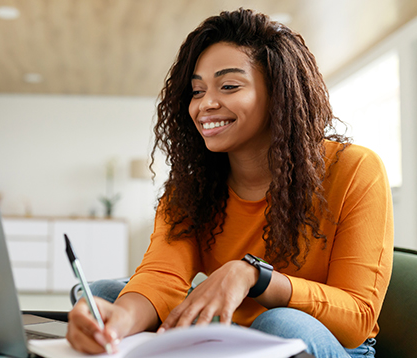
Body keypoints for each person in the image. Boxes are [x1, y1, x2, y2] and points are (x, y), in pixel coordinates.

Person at [66, 8, 393, 358]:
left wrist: (256, 278)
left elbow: (357, 317)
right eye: (196, 91)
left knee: (281, 324)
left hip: (327, 341)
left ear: (278, 94)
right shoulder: (191, 189)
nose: (206, 104)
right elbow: (163, 275)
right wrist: (119, 320)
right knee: (102, 294)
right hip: (232, 332)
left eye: (229, 86)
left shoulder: (355, 168)